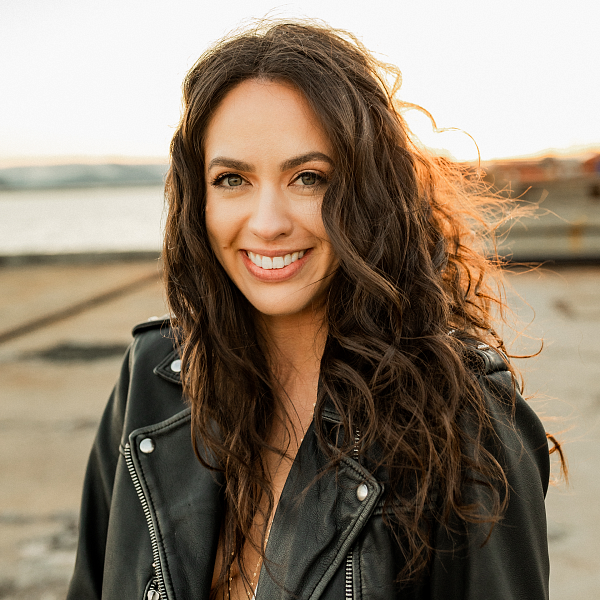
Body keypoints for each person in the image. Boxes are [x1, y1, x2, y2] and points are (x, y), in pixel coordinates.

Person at [67, 20, 559, 600]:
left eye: (308, 178)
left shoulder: (468, 422)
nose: (269, 222)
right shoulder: (152, 378)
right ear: (197, 199)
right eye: (231, 179)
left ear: (370, 192)